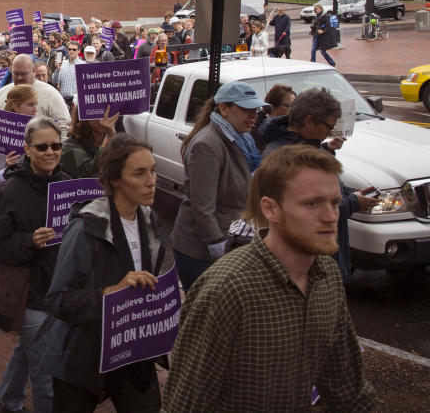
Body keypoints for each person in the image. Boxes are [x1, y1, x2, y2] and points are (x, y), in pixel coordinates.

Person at [162, 145, 378, 412]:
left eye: (334, 202)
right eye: (312, 203)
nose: (331, 216)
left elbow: (348, 388)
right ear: (270, 209)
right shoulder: (227, 290)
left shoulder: (327, 276)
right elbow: (185, 404)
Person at [42, 135, 172, 410]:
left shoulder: (150, 219)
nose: (152, 181)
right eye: (139, 173)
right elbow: (57, 300)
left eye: (153, 170)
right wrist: (110, 294)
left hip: (134, 351)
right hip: (84, 356)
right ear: (114, 179)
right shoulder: (86, 229)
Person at [0, 117, 72, 413]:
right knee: (46, 374)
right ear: (27, 149)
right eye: (43, 147)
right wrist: (30, 241)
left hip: (59, 287)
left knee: (29, 349)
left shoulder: (66, 184)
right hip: (29, 293)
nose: (50, 152)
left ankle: (7, 397)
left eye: (56, 145)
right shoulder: (11, 191)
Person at [259, 88, 379, 282]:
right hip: (309, 269)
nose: (330, 132)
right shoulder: (286, 158)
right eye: (327, 126)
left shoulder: (309, 148)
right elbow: (306, 213)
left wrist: (350, 193)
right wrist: (353, 203)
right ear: (308, 120)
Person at [170, 82, 267, 292]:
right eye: (245, 110)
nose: (253, 116)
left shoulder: (243, 138)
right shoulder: (206, 145)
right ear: (223, 108)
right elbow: (203, 208)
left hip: (234, 244)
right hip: (202, 253)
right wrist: (221, 251)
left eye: (255, 110)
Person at [0, 55, 71, 140]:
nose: (19, 78)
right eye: (16, 73)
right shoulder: (1, 93)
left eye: (23, 74)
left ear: (34, 71)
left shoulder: (51, 94)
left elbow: (64, 128)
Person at [59, 106, 119, 179]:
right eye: (96, 114)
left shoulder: (118, 140)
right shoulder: (69, 147)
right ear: (83, 117)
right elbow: (89, 175)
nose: (103, 118)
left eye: (107, 113)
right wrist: (110, 137)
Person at [252, 84, 295, 150]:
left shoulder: (295, 128)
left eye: (295, 106)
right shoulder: (257, 132)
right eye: (288, 106)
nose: (293, 110)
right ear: (272, 106)